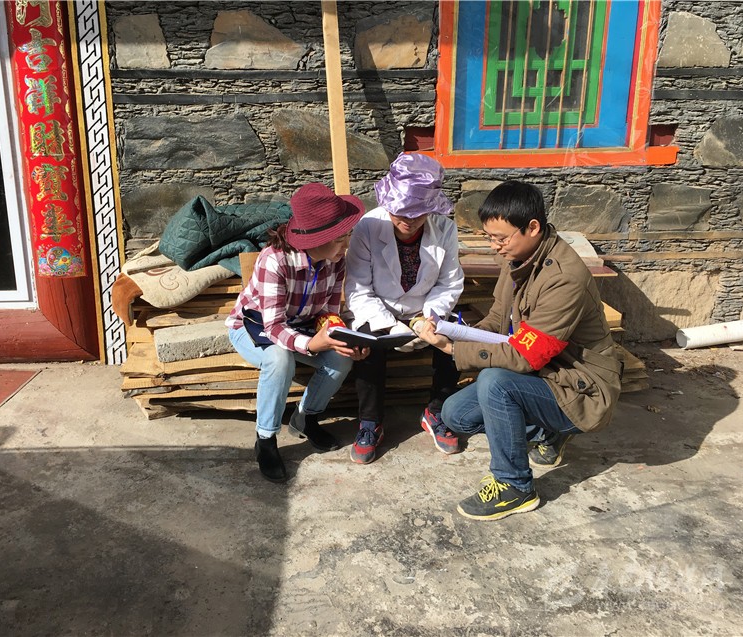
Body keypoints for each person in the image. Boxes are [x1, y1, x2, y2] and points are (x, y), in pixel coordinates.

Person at [416, 180, 622, 520]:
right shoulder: (517, 259)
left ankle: (515, 486)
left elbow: (527, 356)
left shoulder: (564, 278)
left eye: (501, 238)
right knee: (455, 415)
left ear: (533, 227)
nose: (494, 247)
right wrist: (452, 331)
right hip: (545, 374)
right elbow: (498, 320)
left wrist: (453, 350)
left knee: (495, 383)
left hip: (580, 386)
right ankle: (548, 432)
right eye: (489, 237)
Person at [226, 182, 368, 483]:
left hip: (301, 325)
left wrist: (345, 338)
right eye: (340, 239)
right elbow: (274, 326)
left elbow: (329, 312)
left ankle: (306, 419)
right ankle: (265, 439)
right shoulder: (275, 260)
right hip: (253, 325)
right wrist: (313, 345)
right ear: (316, 239)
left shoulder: (335, 261)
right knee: (280, 360)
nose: (346, 245)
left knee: (342, 359)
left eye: (347, 236)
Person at [344, 153, 465, 464]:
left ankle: (436, 412)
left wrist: (429, 318)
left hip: (425, 310)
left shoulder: (445, 229)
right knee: (367, 345)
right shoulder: (368, 226)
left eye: (417, 213)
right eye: (400, 212)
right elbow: (358, 289)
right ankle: (370, 422)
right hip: (379, 310)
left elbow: (449, 283)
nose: (408, 221)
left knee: (451, 339)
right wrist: (391, 326)